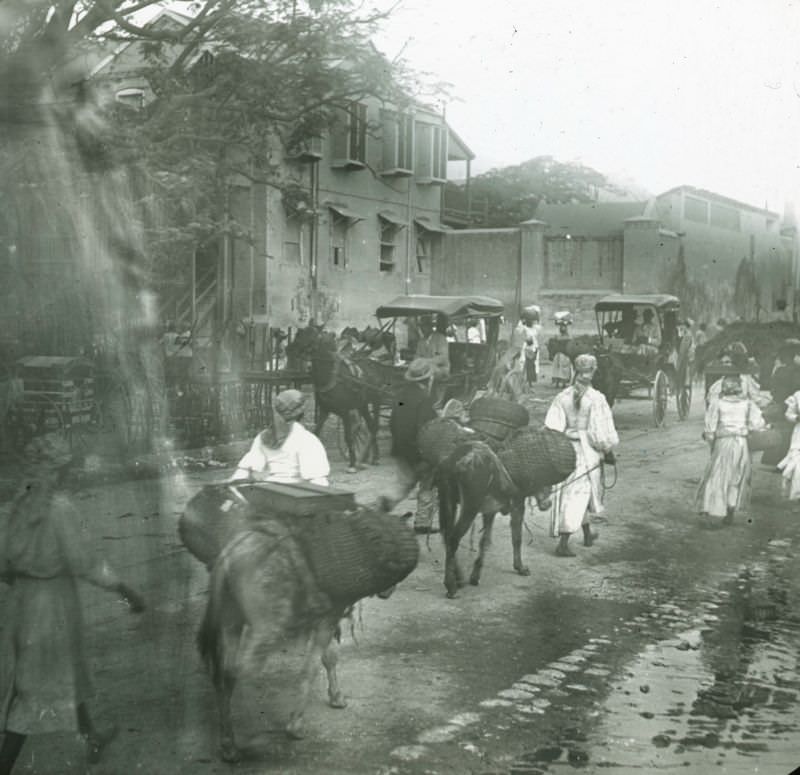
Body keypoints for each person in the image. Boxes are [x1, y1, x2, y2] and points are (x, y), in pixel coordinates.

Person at [0, 435, 146, 774]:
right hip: (50, 607)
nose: (71, 475)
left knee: (68, 669)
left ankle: (91, 735)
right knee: (34, 690)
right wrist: (125, 590)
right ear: (58, 472)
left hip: (20, 604)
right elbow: (86, 563)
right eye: (67, 469)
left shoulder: (16, 505)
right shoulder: (59, 509)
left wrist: (21, 575)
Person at [544, 354, 619, 557]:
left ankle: (587, 533)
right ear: (593, 371)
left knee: (577, 493)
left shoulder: (562, 397)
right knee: (578, 493)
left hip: (565, 449)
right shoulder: (596, 399)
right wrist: (608, 451)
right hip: (587, 451)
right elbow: (600, 433)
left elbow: (552, 428)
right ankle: (563, 542)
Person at [697, 374, 766, 526]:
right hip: (741, 443)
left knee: (718, 476)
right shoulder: (748, 405)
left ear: (723, 389)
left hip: (723, 443)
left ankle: (714, 511)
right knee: (736, 476)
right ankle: (730, 509)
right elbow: (757, 425)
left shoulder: (717, 404)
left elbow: (710, 429)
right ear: (740, 389)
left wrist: (711, 442)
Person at [231, 389, 330, 485]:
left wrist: (233, 486)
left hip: (269, 490)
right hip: (294, 495)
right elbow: (318, 479)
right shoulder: (308, 440)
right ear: (302, 413)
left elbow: (244, 470)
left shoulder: (263, 436)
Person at [386, 359, 439, 533]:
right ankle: (423, 523)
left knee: (403, 484)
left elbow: (393, 422)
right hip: (418, 451)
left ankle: (378, 509)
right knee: (427, 484)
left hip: (400, 447)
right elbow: (424, 428)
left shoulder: (401, 395)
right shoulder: (425, 399)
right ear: (427, 379)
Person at [415, 314, 450, 408]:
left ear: (430, 327)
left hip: (441, 369)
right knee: (412, 373)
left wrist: (425, 362)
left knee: (430, 374)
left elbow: (443, 358)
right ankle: (416, 399)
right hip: (425, 369)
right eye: (421, 327)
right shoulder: (421, 341)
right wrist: (414, 365)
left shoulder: (440, 338)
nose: (422, 329)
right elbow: (417, 357)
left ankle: (431, 401)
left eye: (424, 326)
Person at [777, 389, 800, 505]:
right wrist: (796, 418)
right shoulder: (798, 395)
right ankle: (797, 498)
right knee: (797, 467)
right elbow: (788, 413)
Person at [551, 312, 574, 387]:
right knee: (557, 367)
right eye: (561, 327)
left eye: (564, 327)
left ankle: (564, 383)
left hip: (565, 354)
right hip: (558, 353)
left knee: (565, 368)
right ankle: (557, 383)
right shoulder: (557, 336)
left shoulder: (569, 336)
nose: (562, 328)